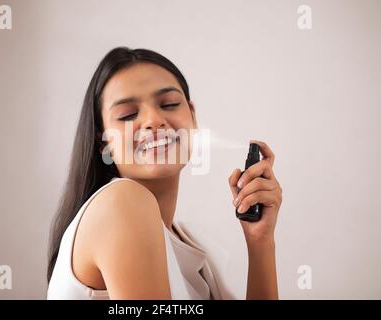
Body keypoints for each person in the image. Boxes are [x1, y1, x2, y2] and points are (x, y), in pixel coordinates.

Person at [46, 47, 283, 300]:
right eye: (127, 114)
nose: (154, 120)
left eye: (169, 104)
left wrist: (260, 242)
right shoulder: (122, 202)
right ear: (103, 142)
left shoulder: (193, 246)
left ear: (192, 117)